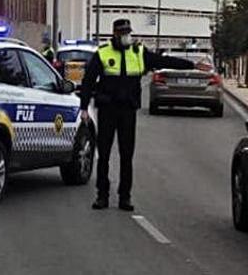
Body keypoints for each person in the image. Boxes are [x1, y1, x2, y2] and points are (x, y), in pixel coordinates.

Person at [79, 18, 195, 211]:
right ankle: (102, 196)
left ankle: (125, 197)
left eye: (128, 32)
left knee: (127, 155)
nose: (126, 36)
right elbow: (88, 81)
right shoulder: (103, 53)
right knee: (104, 154)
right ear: (114, 34)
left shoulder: (138, 52)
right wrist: (84, 108)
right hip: (108, 109)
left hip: (128, 110)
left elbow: (164, 61)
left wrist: (191, 65)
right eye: (122, 33)